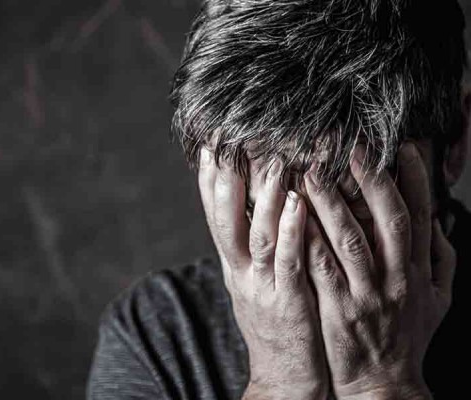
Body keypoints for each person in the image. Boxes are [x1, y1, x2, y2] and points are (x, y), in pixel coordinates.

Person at [87, 0, 470, 398]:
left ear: (455, 143)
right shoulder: (156, 334)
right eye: (265, 208)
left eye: (349, 205)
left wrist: (381, 384)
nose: (301, 254)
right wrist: (278, 384)